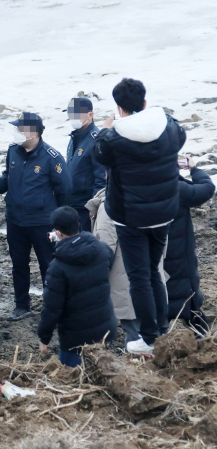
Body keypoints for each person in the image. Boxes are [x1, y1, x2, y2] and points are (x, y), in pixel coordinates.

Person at [93, 78, 185, 355]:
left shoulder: (113, 138)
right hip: (163, 213)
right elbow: (180, 137)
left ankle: (148, 338)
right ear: (145, 103)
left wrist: (105, 129)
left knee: (139, 278)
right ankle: (161, 331)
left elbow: (99, 155)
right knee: (153, 270)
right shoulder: (169, 127)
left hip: (130, 218)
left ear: (118, 108)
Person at [0, 112, 72, 321]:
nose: (16, 133)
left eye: (20, 129)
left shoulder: (51, 156)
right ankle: (22, 305)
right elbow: (8, 175)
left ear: (34, 132)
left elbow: (64, 189)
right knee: (18, 264)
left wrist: (58, 220)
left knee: (48, 265)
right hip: (15, 220)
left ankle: (53, 305)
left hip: (42, 221)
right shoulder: (12, 150)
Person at [86, 187, 168, 346]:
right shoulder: (155, 200)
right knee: (153, 332)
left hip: (127, 283)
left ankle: (139, 365)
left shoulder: (110, 205)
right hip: (154, 282)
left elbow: (105, 249)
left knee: (135, 334)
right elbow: (163, 245)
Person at [37, 206, 117, 367]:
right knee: (99, 371)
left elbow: (52, 308)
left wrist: (44, 338)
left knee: (71, 378)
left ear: (58, 233)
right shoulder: (102, 249)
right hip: (105, 328)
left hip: (75, 338)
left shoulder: (57, 267)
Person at [165, 158, 215, 332]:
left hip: (150, 250)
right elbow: (206, 189)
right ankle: (201, 335)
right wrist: (194, 169)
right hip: (178, 253)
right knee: (187, 294)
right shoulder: (175, 188)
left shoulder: (136, 184)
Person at [64, 98, 105, 231]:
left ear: (90, 115)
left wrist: (94, 207)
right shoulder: (74, 137)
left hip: (85, 207)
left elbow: (101, 178)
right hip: (71, 204)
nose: (73, 117)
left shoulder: (96, 140)